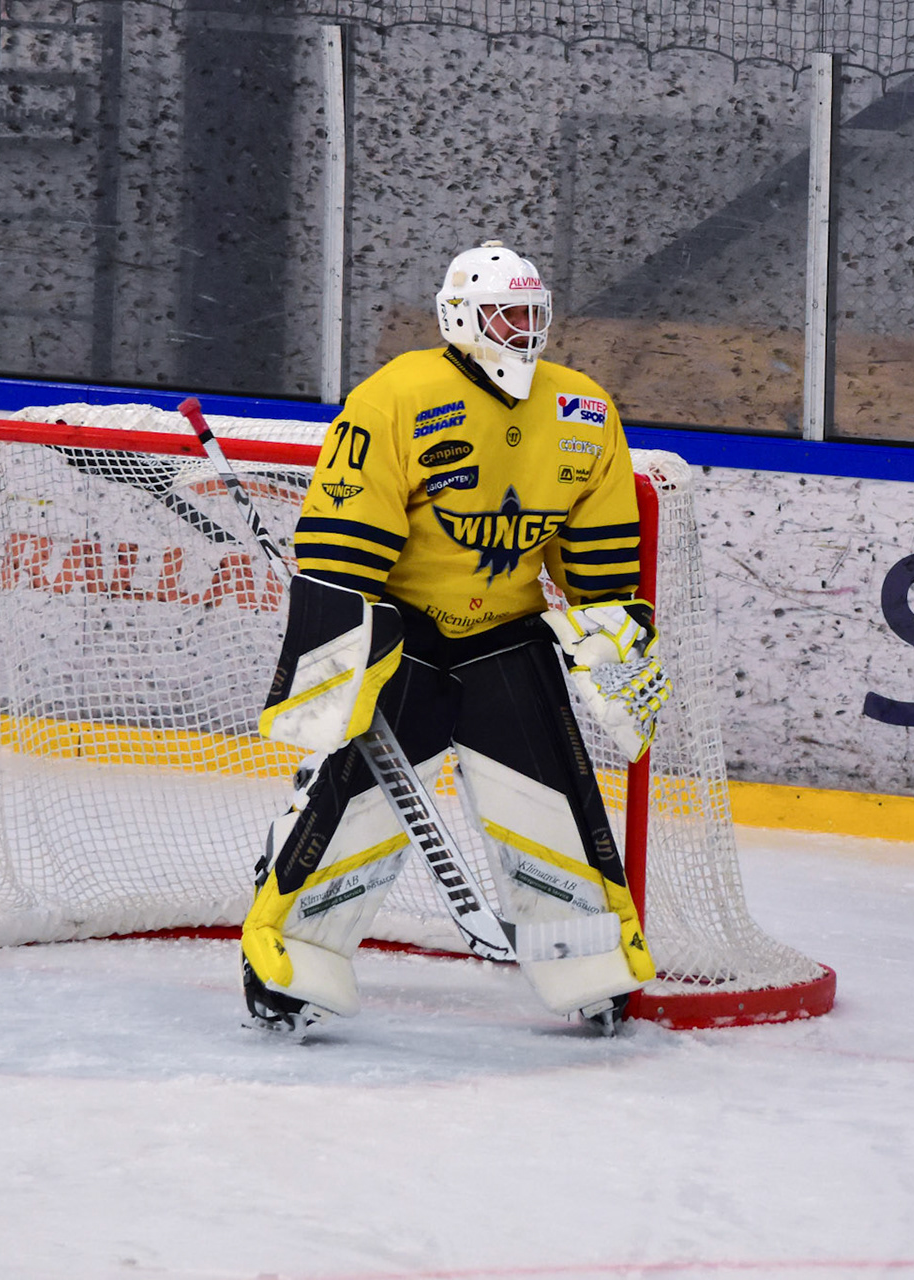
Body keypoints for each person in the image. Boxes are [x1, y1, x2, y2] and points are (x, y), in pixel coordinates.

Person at [240, 241, 670, 1035]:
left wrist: (612, 636)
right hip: (406, 638)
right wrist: (339, 653)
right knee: (356, 813)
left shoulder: (582, 410)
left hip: (506, 636)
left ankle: (587, 962)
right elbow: (343, 538)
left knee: (554, 808)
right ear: (459, 318)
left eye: (532, 314)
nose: (522, 329)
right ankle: (288, 959)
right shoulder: (397, 395)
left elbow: (603, 559)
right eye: (505, 314)